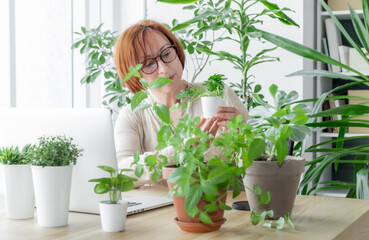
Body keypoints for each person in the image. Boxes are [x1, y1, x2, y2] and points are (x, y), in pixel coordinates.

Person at [114, 19, 249, 187]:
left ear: (176, 51)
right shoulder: (132, 114)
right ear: (134, 75)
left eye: (166, 54)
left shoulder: (219, 94)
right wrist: (183, 151)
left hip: (220, 207)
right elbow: (122, 172)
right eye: (149, 64)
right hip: (160, 212)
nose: (163, 68)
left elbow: (260, 165)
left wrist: (245, 137)